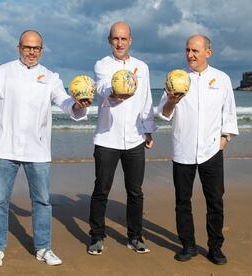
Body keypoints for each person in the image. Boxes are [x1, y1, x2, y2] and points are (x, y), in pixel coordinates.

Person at [0, 30, 90, 267]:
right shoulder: (0, 73)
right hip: (4, 148)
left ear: (42, 50)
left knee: (43, 202)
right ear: (19, 47)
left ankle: (43, 248)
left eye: (36, 48)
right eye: (27, 47)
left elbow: (64, 103)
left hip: (38, 150)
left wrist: (78, 105)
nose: (31, 52)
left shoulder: (50, 77)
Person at [158, 34, 239, 265]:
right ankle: (188, 245)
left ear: (208, 53)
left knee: (215, 201)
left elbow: (229, 113)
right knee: (182, 200)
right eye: (187, 50)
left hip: (212, 151)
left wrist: (224, 140)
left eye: (195, 50)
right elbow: (163, 114)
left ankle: (215, 248)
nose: (190, 55)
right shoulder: (176, 78)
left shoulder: (221, 79)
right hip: (182, 149)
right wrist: (172, 101)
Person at [87, 21, 157, 255]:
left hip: (136, 138)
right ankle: (97, 237)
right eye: (115, 39)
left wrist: (149, 130)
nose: (119, 43)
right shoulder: (102, 65)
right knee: (101, 189)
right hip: (107, 138)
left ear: (130, 40)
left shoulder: (142, 67)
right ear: (109, 40)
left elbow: (146, 100)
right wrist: (116, 92)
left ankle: (135, 237)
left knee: (135, 191)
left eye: (123, 39)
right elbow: (103, 89)